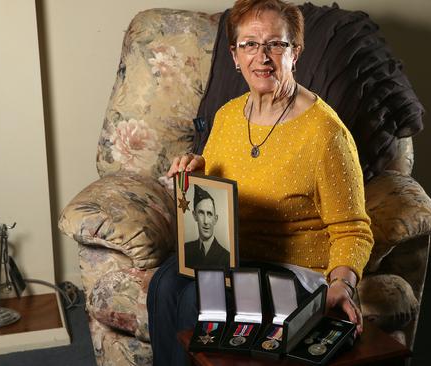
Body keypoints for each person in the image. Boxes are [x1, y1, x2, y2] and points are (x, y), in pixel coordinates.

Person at [147, 0, 374, 364]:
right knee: (165, 282)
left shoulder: (325, 134)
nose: (262, 56)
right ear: (235, 55)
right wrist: (197, 168)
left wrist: (342, 283)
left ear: (295, 52)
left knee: (196, 297)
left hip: (293, 271)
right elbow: (229, 178)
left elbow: (353, 229)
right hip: (233, 254)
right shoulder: (228, 116)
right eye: (250, 44)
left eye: (275, 44)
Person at [184, 184, 230, 268]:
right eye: (201, 213)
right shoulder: (186, 249)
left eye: (209, 214)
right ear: (194, 216)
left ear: (215, 219)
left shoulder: (227, 257)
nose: (205, 221)